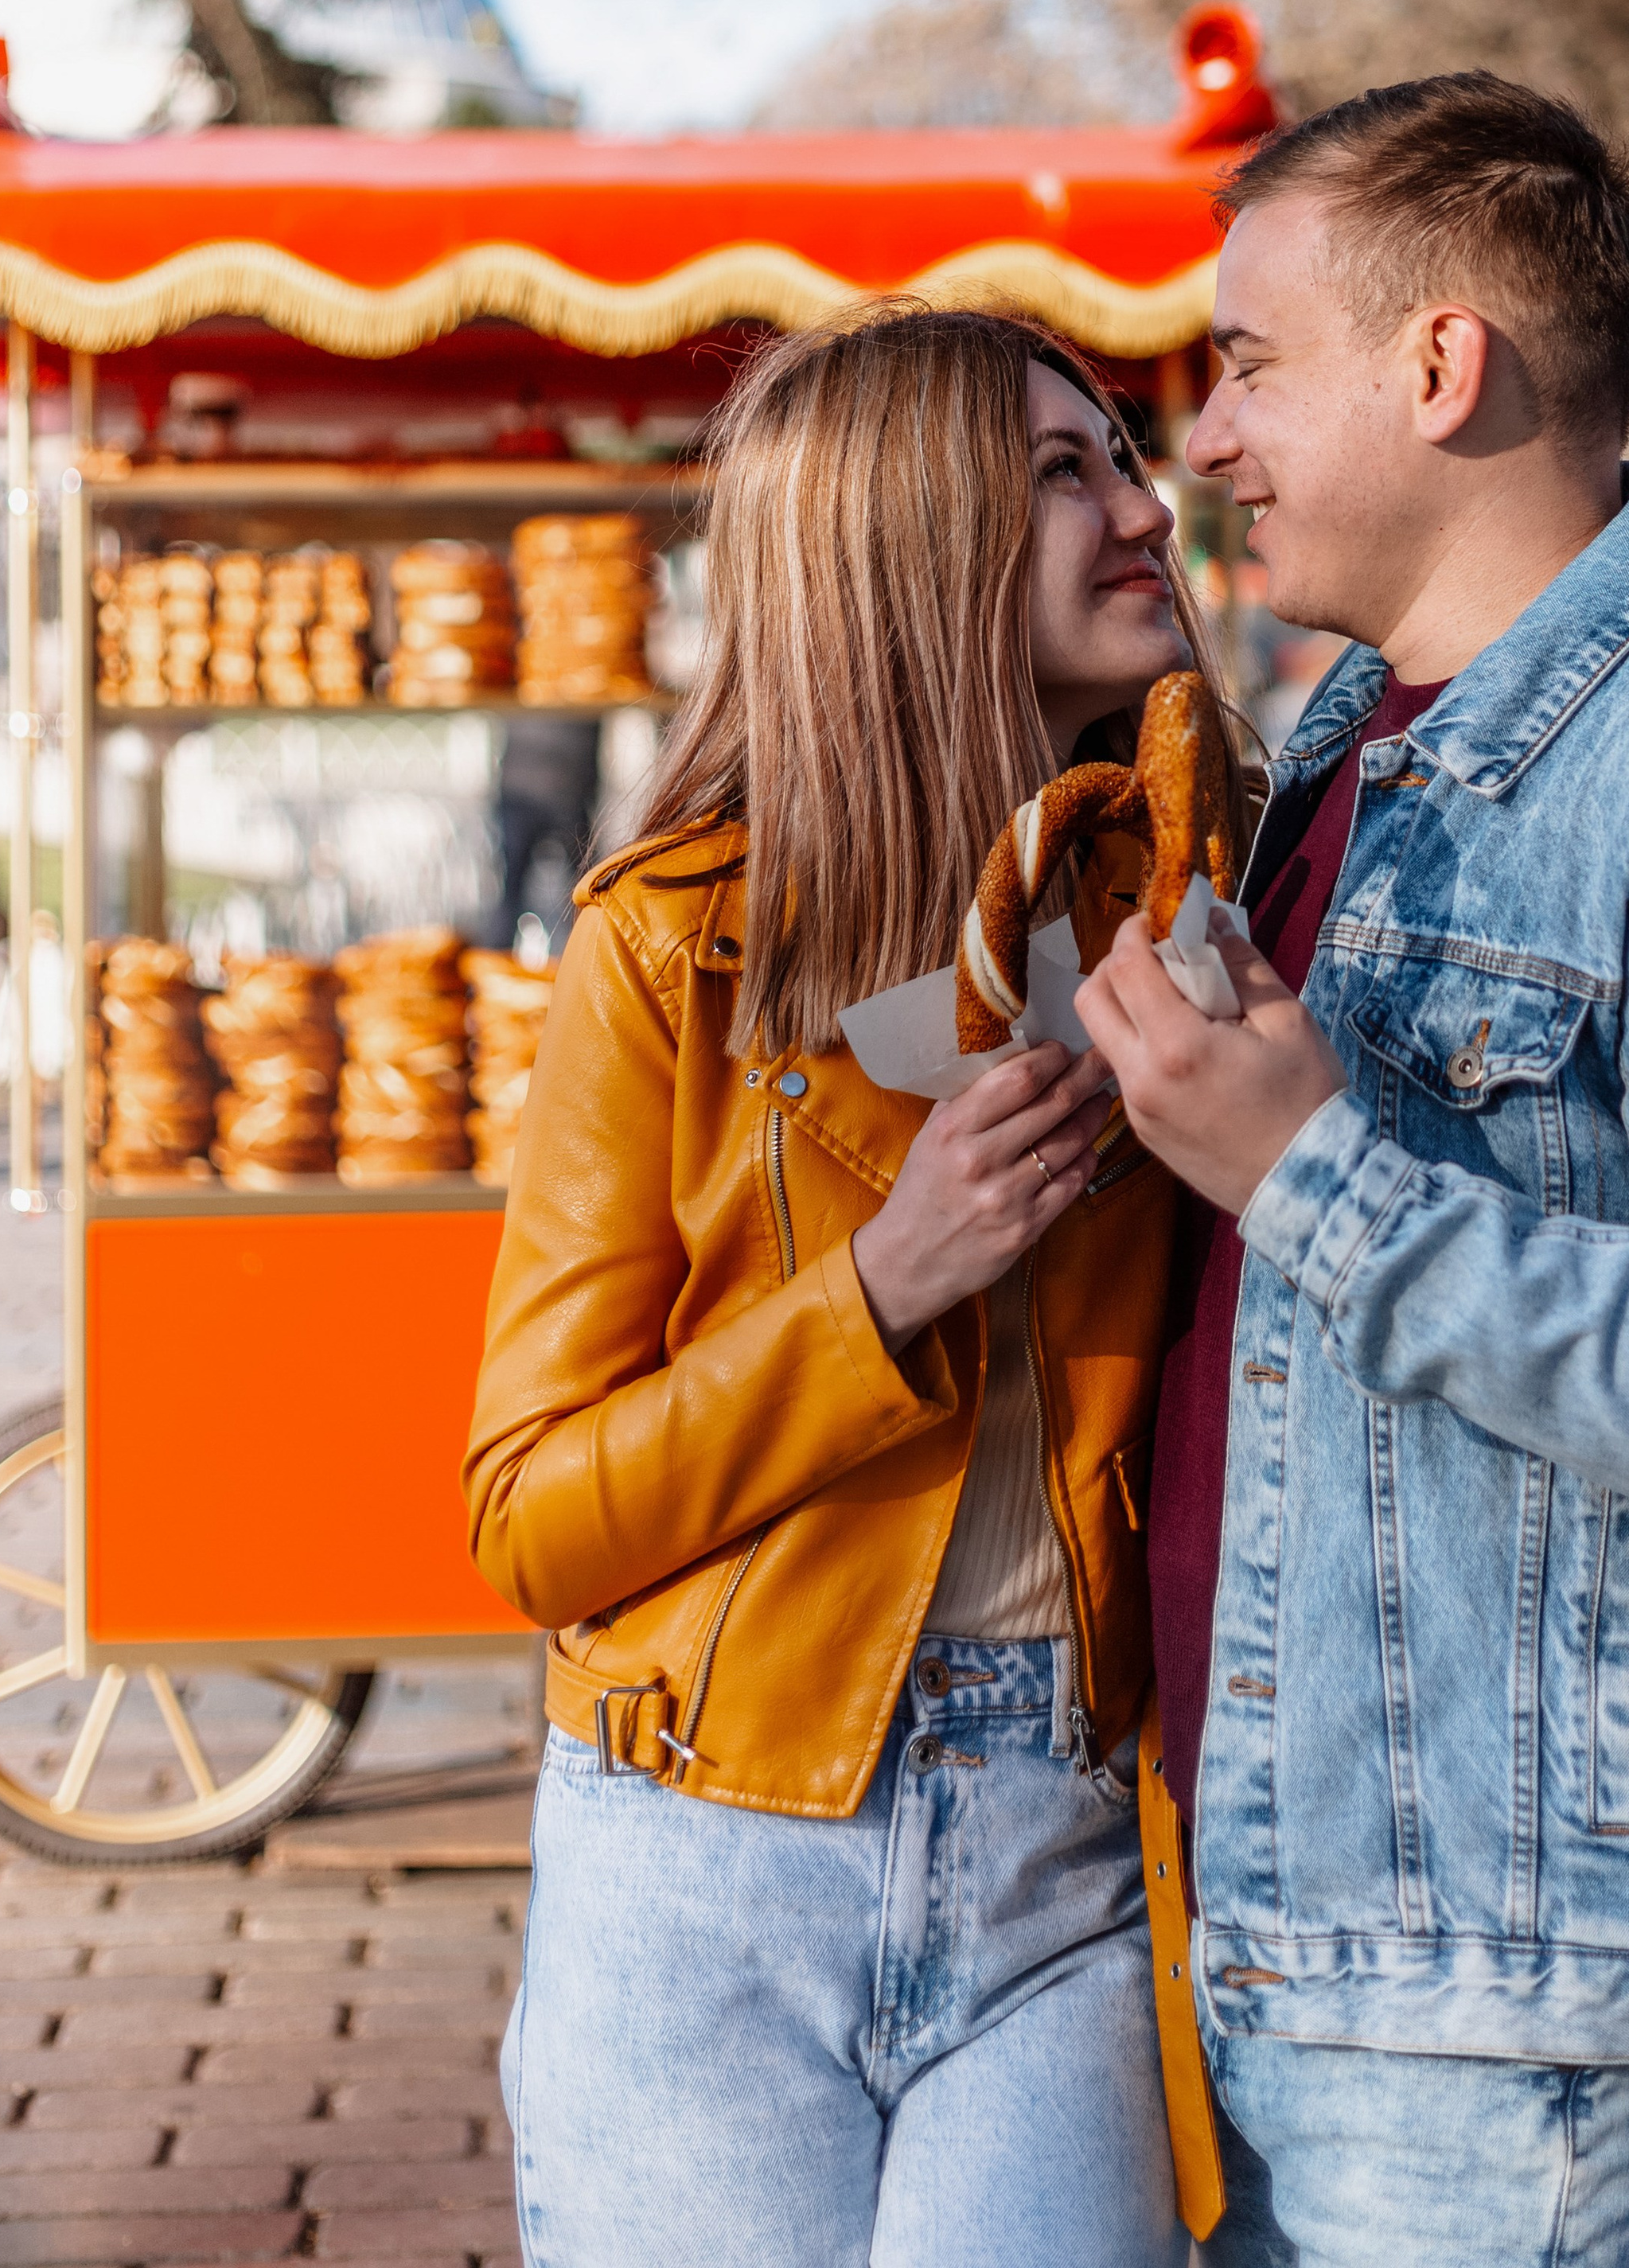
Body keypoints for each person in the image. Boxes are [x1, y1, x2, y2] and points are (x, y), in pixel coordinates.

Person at [1076, 74, 1629, 2268]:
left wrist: (1310, 1173)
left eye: (1253, 364)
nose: (1207, 436)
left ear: (1443, 366)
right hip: (1284, 1916)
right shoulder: (1353, 745)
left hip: (1497, 2009)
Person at [466, 302, 1246, 2268]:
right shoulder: (674, 956)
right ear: (908, 549)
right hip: (707, 1843)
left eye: (1119, 456)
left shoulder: (1184, 916)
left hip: (1066, 1849)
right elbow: (529, 1513)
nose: (1140, 508)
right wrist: (883, 1286)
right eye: (1058, 474)